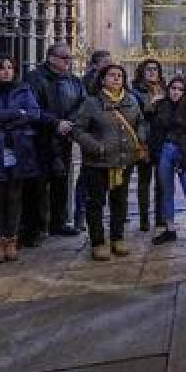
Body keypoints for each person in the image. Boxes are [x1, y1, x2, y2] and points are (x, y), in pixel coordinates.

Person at [0, 57, 46, 265]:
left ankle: (12, 240)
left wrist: (6, 117)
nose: (6, 72)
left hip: (18, 149)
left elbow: (33, 113)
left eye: (10, 68)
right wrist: (16, 113)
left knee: (14, 198)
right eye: (2, 68)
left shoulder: (23, 89)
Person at [71, 64, 143, 261]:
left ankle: (117, 238)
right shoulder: (91, 103)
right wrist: (97, 147)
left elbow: (140, 122)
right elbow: (78, 130)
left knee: (120, 201)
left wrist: (140, 139)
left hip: (123, 160)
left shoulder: (131, 100)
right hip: (97, 163)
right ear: (102, 80)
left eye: (119, 75)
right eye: (111, 75)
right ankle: (98, 241)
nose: (116, 79)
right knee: (95, 202)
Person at [23, 43, 85, 243]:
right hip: (40, 138)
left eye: (70, 58)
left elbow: (82, 103)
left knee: (61, 181)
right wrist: (55, 123)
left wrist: (69, 123)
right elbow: (31, 107)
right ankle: (33, 229)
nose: (68, 61)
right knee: (36, 186)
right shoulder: (35, 78)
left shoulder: (73, 81)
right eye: (64, 57)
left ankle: (58, 223)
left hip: (64, 137)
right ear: (51, 58)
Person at [151, 76, 186, 251]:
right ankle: (170, 230)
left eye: (180, 89)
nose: (175, 92)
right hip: (166, 152)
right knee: (166, 193)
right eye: (173, 88)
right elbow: (154, 130)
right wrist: (156, 151)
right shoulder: (161, 106)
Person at [131, 58, 166, 233]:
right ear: (142, 72)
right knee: (144, 181)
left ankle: (160, 217)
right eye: (148, 69)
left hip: (161, 140)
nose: (152, 72)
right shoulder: (134, 91)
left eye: (155, 69)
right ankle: (144, 218)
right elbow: (135, 116)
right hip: (144, 140)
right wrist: (151, 106)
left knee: (162, 181)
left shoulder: (165, 89)